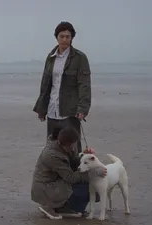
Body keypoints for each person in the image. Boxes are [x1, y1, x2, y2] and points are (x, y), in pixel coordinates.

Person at [33, 21, 92, 153]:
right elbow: (45, 85)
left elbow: (85, 85)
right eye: (62, 36)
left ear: (71, 38)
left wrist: (83, 108)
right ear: (57, 37)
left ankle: (74, 173)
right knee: (52, 148)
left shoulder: (80, 58)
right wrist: (42, 109)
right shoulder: (51, 57)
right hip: (52, 111)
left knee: (73, 149)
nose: (65, 39)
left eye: (68, 36)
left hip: (70, 112)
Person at [31, 127, 106, 219]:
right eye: (72, 145)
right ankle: (49, 206)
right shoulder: (51, 155)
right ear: (63, 144)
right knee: (85, 190)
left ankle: (64, 207)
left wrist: (83, 157)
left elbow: (72, 162)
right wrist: (95, 173)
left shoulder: (66, 146)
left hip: (57, 181)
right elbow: (70, 177)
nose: (74, 147)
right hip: (45, 188)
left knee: (89, 187)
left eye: (75, 143)